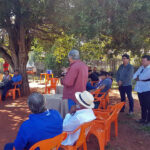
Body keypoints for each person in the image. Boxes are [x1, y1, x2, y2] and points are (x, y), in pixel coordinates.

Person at [133, 55, 150, 124]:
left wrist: (139, 77)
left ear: (149, 61)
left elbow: (143, 77)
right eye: (142, 60)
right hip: (140, 89)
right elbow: (134, 76)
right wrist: (138, 77)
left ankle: (148, 121)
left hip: (147, 89)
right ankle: (143, 119)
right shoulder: (141, 67)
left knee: (148, 106)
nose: (142, 62)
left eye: (144, 61)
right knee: (142, 105)